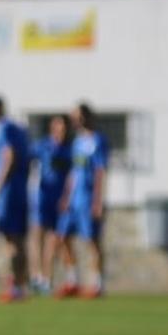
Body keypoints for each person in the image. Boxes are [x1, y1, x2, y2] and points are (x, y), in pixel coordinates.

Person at [55, 102, 108, 299]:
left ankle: (98, 284)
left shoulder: (98, 141)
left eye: (77, 116)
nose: (74, 121)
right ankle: (73, 281)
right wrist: (66, 196)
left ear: (85, 117)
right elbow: (74, 172)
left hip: (88, 199)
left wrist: (97, 200)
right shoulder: (77, 142)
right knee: (62, 237)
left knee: (92, 241)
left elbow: (100, 171)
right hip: (73, 200)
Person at [0, 95, 32, 303]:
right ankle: (21, 286)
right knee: (19, 240)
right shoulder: (19, 129)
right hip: (20, 190)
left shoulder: (6, 129)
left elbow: (9, 157)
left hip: (9, 193)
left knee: (10, 241)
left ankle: (13, 286)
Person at [29, 114, 73, 295]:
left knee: (54, 240)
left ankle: (47, 279)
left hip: (60, 200)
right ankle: (36, 275)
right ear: (51, 129)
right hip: (41, 198)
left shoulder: (70, 150)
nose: (60, 132)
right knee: (37, 236)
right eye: (57, 128)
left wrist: (67, 197)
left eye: (63, 129)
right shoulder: (41, 146)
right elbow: (25, 162)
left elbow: (73, 175)